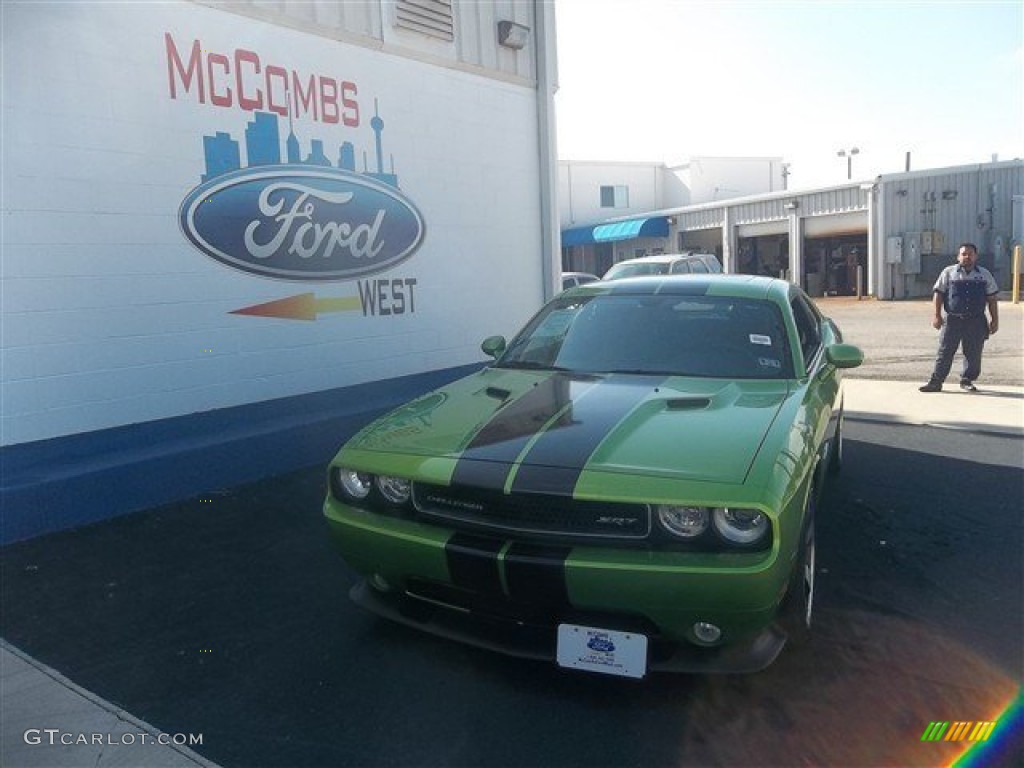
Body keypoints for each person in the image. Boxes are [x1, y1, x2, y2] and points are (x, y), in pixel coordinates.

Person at [919, 242, 999, 392]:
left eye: (970, 254)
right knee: (945, 351)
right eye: (963, 254)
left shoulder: (984, 274)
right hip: (952, 320)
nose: (967, 257)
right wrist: (936, 315)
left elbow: (992, 299)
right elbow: (938, 294)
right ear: (958, 256)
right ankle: (936, 382)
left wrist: (995, 320)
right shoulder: (948, 273)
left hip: (976, 321)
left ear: (976, 256)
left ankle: (967, 380)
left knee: (973, 353)